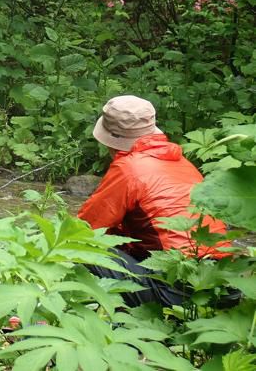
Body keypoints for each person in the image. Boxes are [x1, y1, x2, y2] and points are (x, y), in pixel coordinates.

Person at [77, 95, 232, 307]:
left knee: (80, 246)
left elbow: (85, 228)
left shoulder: (128, 169)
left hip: (177, 289)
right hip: (224, 285)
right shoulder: (184, 164)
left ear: (111, 142)